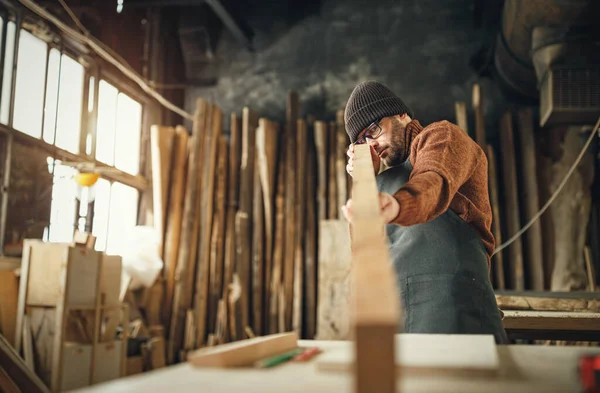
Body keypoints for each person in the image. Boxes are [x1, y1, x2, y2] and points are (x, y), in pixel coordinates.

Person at [341, 81, 508, 344]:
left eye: (374, 129)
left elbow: (433, 180)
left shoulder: (442, 137)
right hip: (398, 315)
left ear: (401, 114)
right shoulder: (381, 182)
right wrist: (366, 180)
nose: (371, 144)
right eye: (361, 141)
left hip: (453, 306)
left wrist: (397, 206)